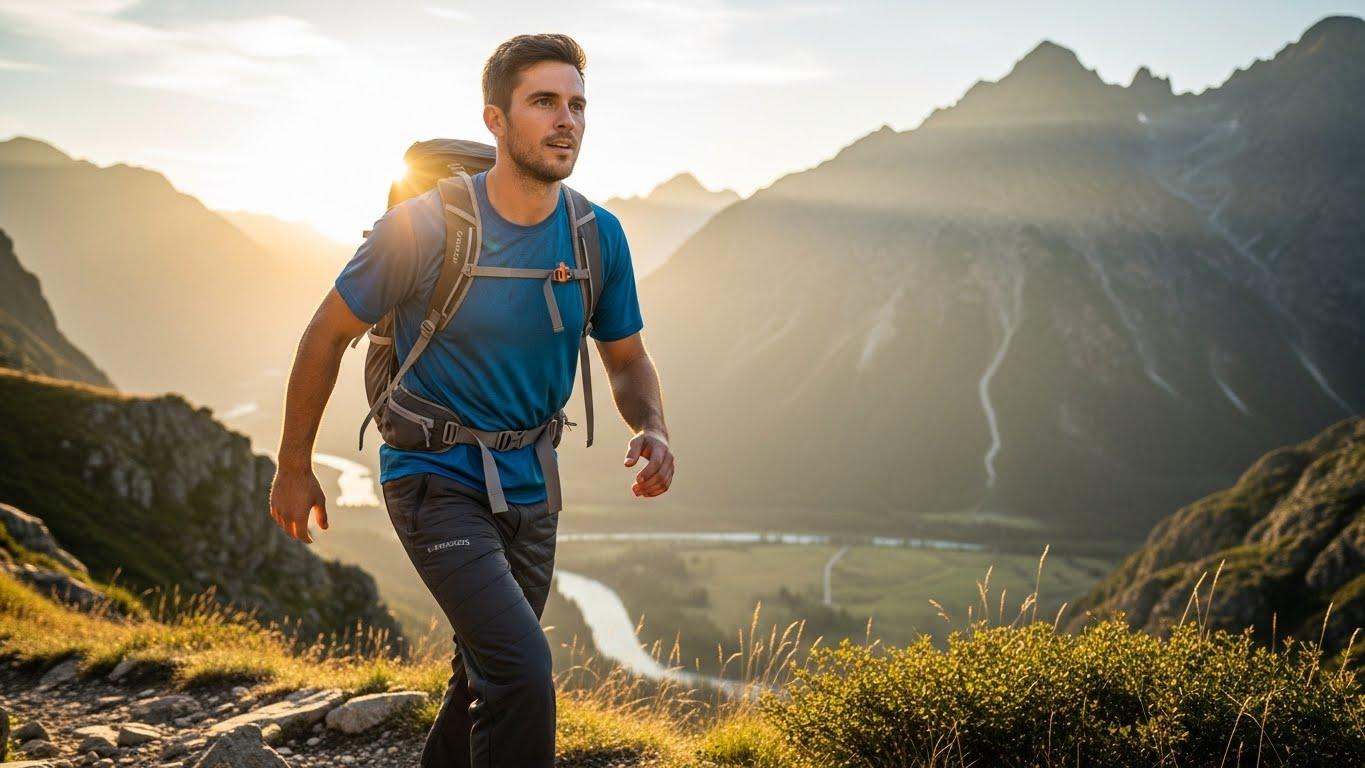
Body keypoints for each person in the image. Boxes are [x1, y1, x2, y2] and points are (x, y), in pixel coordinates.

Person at [267, 32, 674, 767]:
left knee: (482, 674)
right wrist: (292, 465)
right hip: (432, 475)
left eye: (577, 105)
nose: (566, 120)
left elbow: (627, 358)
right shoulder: (421, 229)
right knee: (521, 672)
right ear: (495, 119)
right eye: (544, 102)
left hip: (532, 483)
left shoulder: (595, 236)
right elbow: (324, 336)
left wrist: (653, 426)